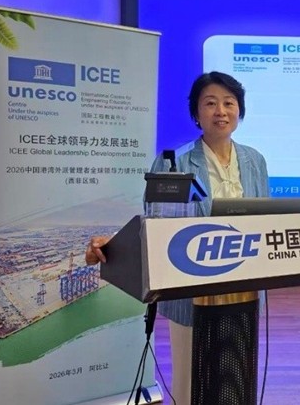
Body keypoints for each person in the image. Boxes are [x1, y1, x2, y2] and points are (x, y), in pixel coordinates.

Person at [85, 71, 269, 403]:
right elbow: (155, 224)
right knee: (190, 380)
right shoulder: (175, 162)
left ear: (239, 110)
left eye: (229, 103)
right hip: (192, 288)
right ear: (196, 112)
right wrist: (113, 244)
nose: (221, 111)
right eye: (210, 103)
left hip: (242, 287)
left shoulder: (255, 161)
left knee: (235, 375)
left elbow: (264, 221)